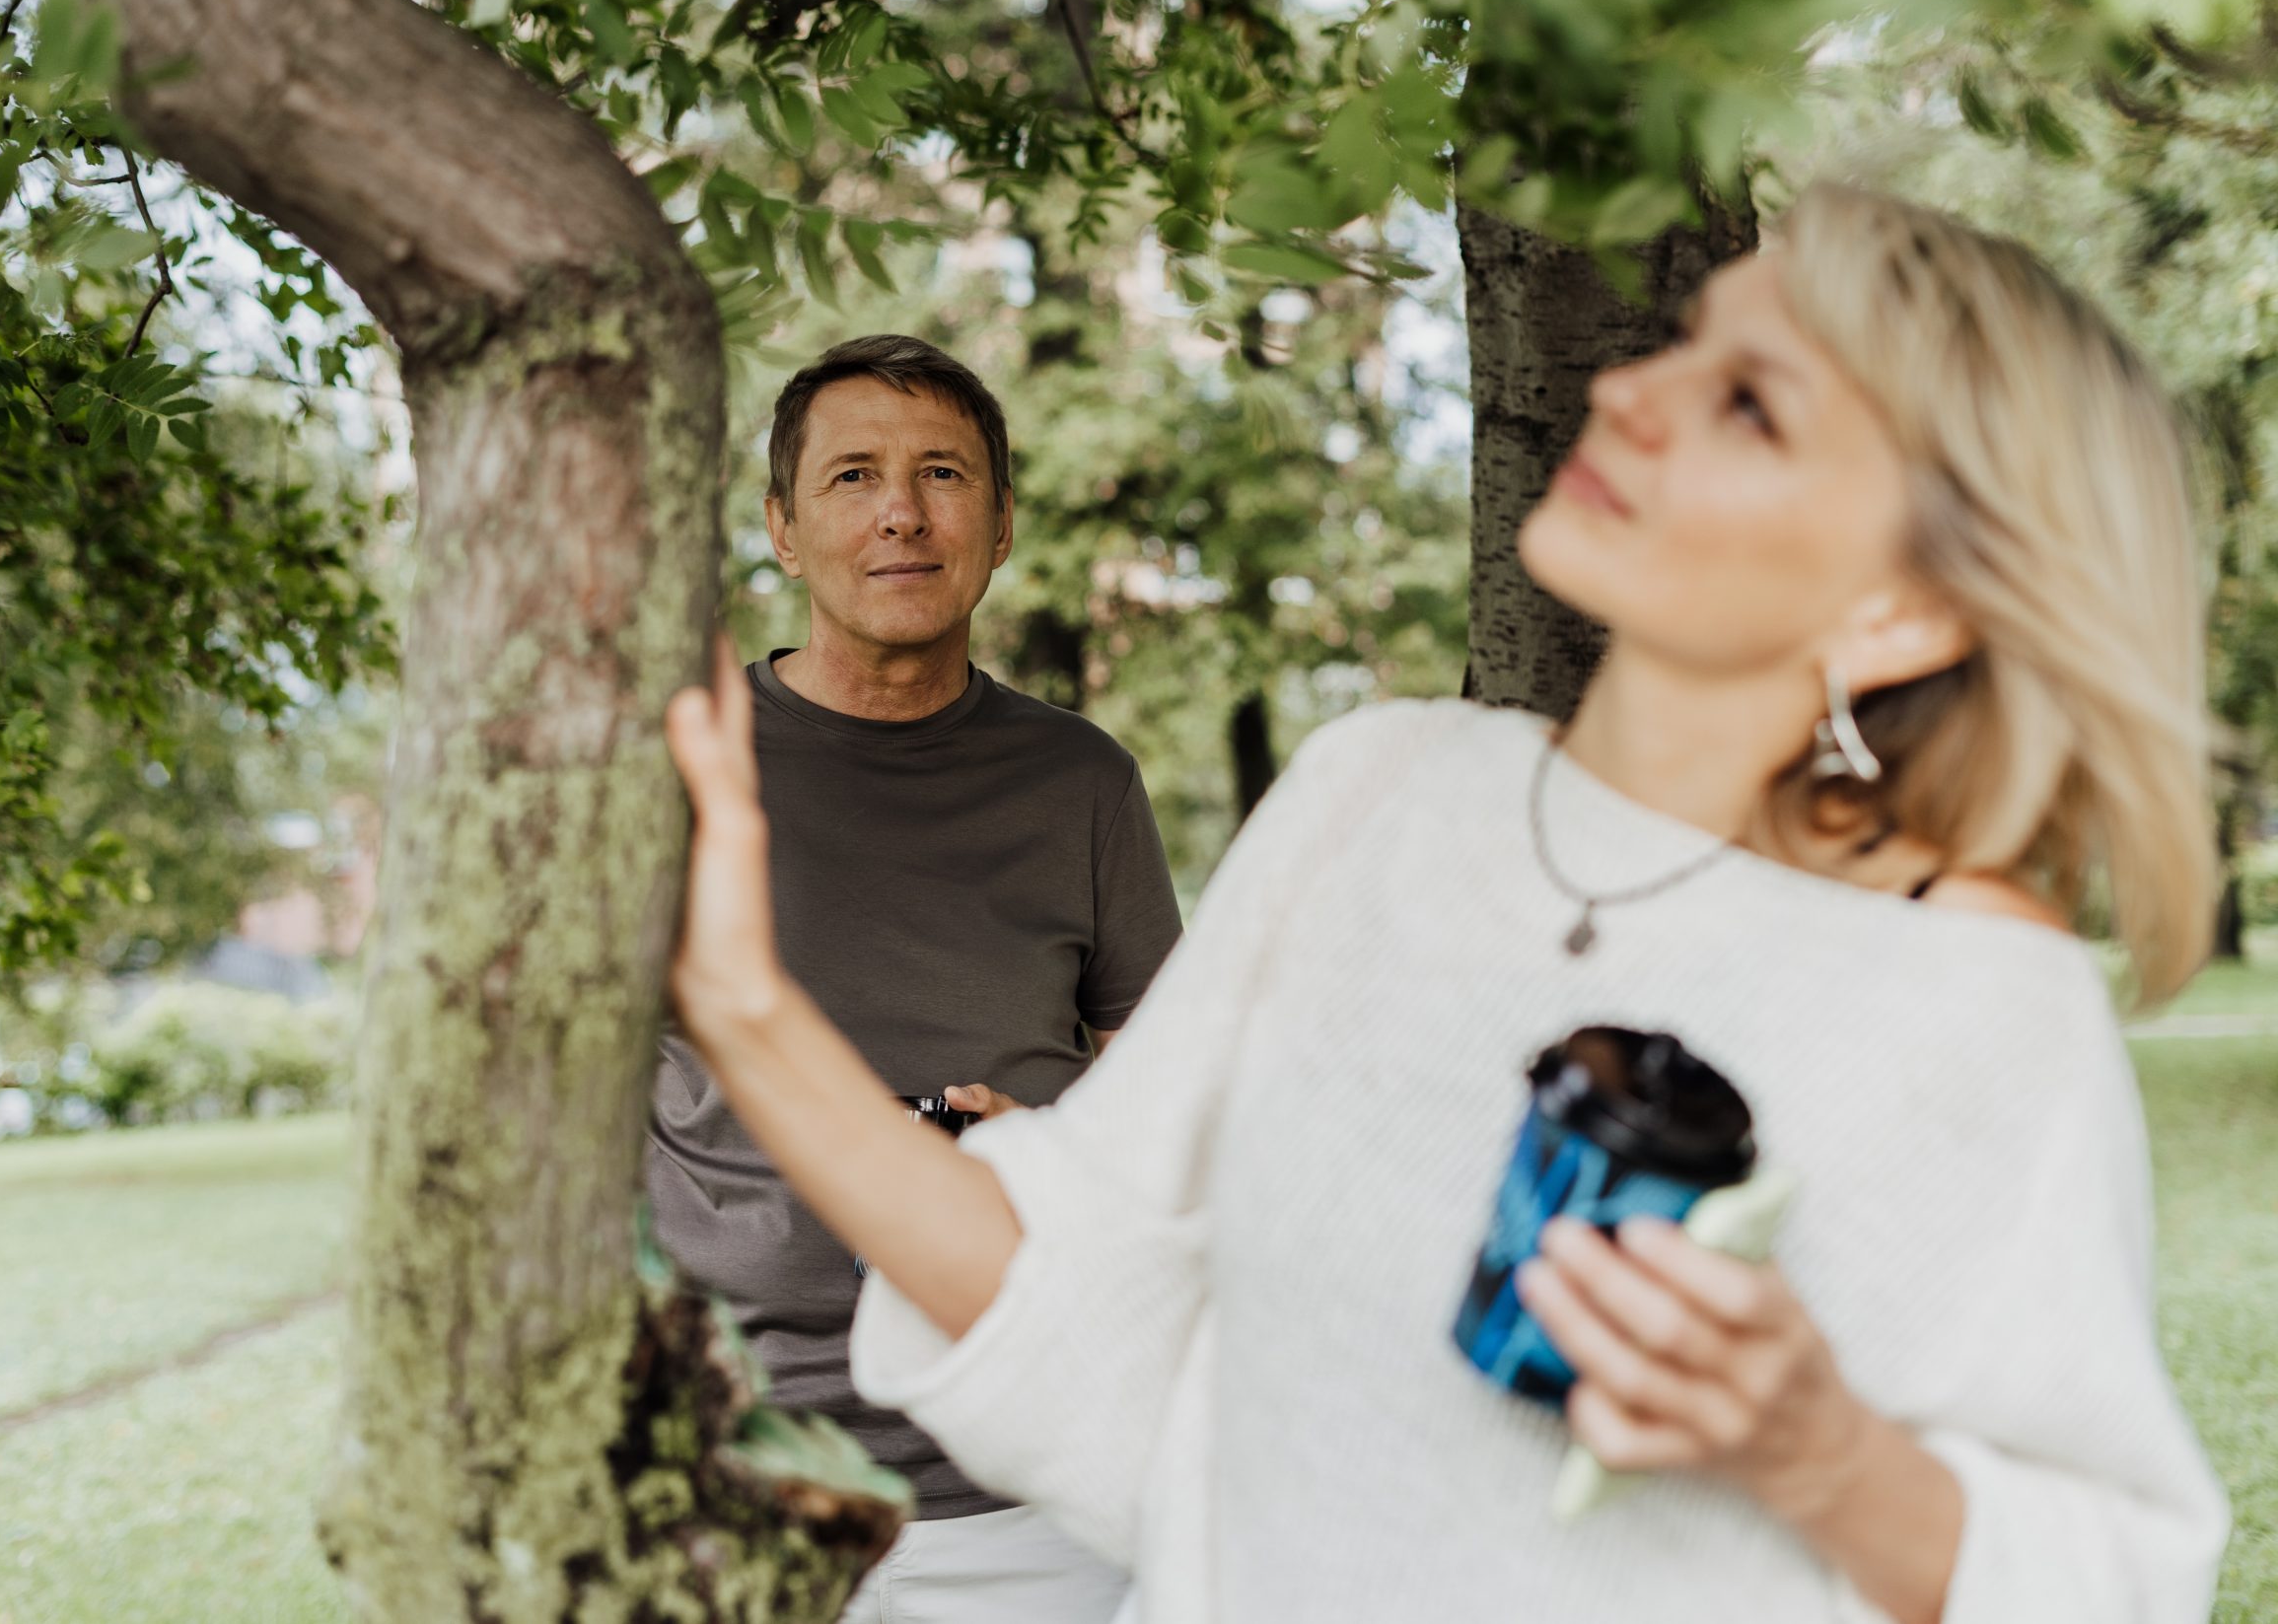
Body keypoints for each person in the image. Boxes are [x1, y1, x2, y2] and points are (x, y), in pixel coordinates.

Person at [661, 186, 2235, 1624]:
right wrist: (742, 1002)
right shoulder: (1382, 790)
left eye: (1747, 404)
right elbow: (1081, 1304)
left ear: (1904, 611)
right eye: (1685, 349)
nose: (1629, 393)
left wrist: (1816, 1451)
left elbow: (2105, 1581)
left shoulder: (1965, 987)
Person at [646, 334, 1180, 1624]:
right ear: (781, 528)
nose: (902, 512)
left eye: (944, 474)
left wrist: (1044, 1150)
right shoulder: (674, 768)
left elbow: (1159, 1114)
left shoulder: (1083, 784)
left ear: (999, 528)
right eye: (852, 478)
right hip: (726, 1467)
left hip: (1017, 1471)